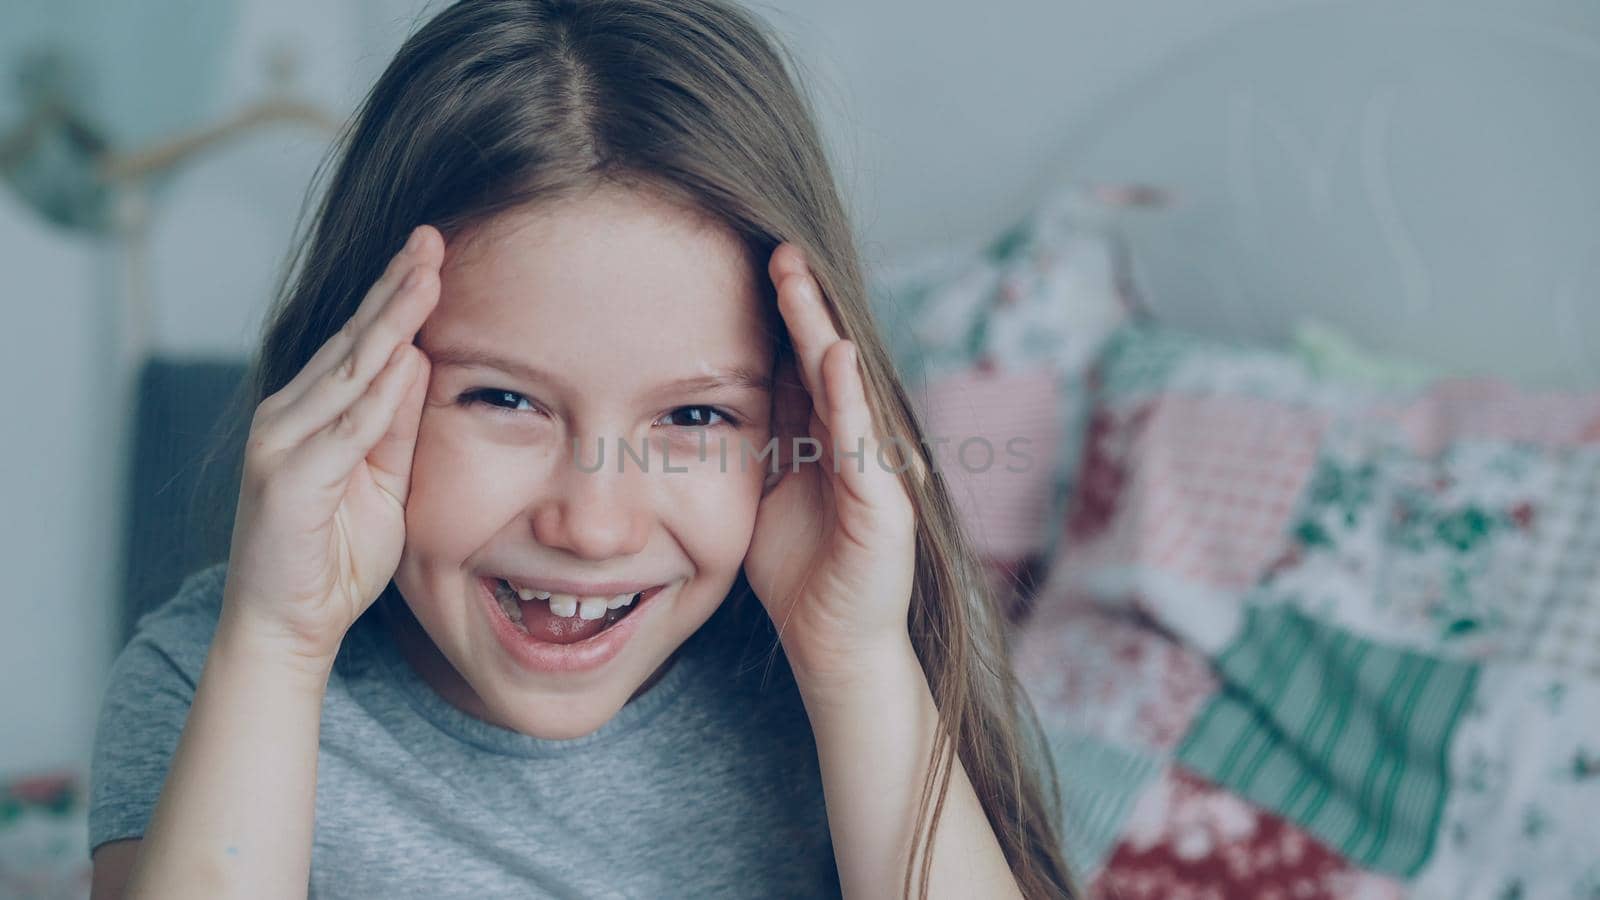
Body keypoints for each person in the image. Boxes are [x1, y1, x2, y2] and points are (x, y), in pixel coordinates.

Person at [87, 1, 1079, 897]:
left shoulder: (854, 669)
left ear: (797, 428)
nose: (593, 526)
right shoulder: (210, 670)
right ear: (352, 383)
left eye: (695, 418)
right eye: (505, 398)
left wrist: (855, 662)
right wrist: (278, 643)